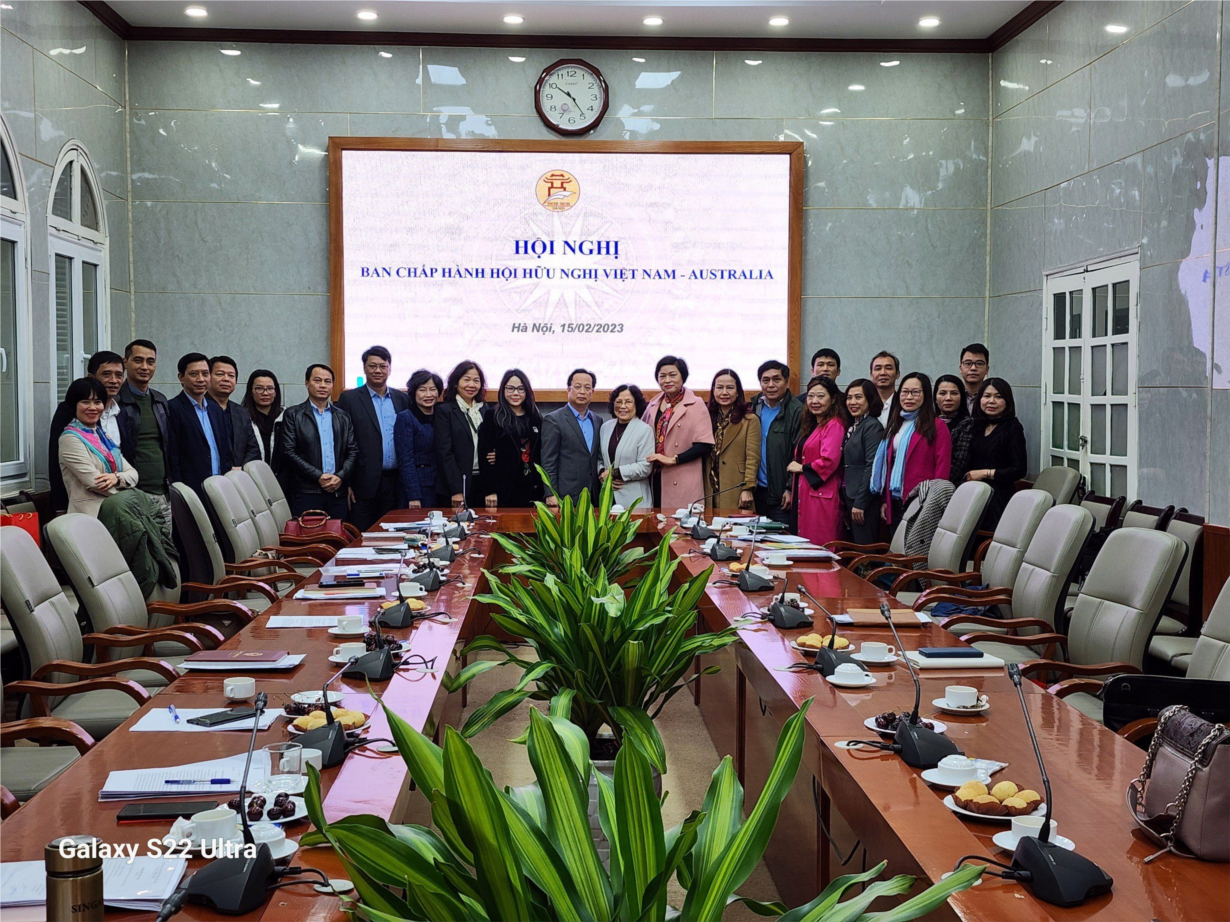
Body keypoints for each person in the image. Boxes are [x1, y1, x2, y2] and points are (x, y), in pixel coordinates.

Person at [337, 345, 410, 529]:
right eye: (372, 366)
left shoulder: (402, 399)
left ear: (389, 369)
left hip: (395, 483)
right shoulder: (349, 399)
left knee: (393, 535)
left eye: (383, 366)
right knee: (362, 535)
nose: (378, 370)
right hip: (362, 484)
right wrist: (346, 482)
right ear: (364, 368)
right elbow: (341, 443)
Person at [869, 371, 951, 525]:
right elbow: (889, 464)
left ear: (926, 395)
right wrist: (885, 500)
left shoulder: (937, 426)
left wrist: (933, 501)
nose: (909, 397)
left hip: (921, 500)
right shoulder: (895, 424)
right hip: (894, 499)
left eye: (915, 392)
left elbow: (942, 467)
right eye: (905, 392)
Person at [279, 363, 358, 519]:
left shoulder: (343, 417)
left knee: (337, 533)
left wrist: (341, 476)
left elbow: (353, 451)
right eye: (317, 380)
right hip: (306, 492)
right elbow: (288, 452)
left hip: (337, 491)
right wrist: (318, 476)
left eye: (327, 381)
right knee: (308, 533)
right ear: (307, 383)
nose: (323, 385)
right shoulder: (293, 414)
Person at [49, 350, 125, 513]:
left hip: (120, 503)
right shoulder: (69, 411)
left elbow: (126, 458)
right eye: (106, 374)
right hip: (88, 505)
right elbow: (56, 461)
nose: (114, 380)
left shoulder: (121, 411)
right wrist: (59, 507)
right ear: (91, 377)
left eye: (119, 375)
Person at [115, 339, 175, 537]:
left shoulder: (160, 400)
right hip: (133, 493)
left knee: (166, 548)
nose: (145, 367)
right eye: (138, 360)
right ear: (125, 362)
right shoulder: (116, 401)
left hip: (163, 493)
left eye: (150, 361)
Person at [642, 356, 714, 511]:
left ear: (683, 377)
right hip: (656, 475)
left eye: (673, 375)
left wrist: (673, 459)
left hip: (684, 474)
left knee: (680, 522)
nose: (667, 380)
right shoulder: (653, 404)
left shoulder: (696, 404)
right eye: (662, 376)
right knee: (656, 520)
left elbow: (704, 445)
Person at [58, 377, 138, 516]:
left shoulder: (102, 436)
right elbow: (95, 483)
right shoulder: (70, 439)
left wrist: (117, 478)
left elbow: (134, 474)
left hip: (119, 513)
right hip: (90, 517)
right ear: (74, 405)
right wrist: (129, 494)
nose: (93, 407)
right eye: (85, 402)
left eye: (97, 402)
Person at [788, 376, 847, 546]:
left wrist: (801, 468)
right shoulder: (812, 424)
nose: (815, 401)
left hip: (821, 493)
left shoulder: (834, 424)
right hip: (804, 491)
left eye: (821, 396)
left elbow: (829, 460)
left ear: (833, 399)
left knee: (820, 543)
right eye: (811, 396)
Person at [962, 377, 1028, 528]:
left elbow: (1019, 470)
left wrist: (985, 473)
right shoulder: (977, 426)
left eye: (998, 397)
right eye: (987, 396)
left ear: (1007, 401)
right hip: (972, 493)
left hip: (997, 497)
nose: (991, 401)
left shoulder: (1013, 428)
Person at [166, 352, 233, 497]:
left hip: (219, 487)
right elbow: (173, 455)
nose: (200, 379)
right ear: (181, 377)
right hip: (191, 489)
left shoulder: (216, 410)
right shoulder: (172, 408)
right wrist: (179, 490)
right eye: (194, 374)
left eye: (205, 374)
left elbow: (225, 451)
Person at [478, 368, 543, 508]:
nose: (515, 393)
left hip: (532, 489)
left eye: (521, 389)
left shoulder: (535, 417)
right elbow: (485, 457)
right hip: (504, 490)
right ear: (503, 390)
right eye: (510, 388)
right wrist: (490, 491)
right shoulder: (492, 416)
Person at [753, 359, 804, 524]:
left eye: (777, 379)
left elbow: (799, 453)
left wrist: (790, 488)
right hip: (756, 492)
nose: (771, 385)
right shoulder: (753, 407)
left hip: (782, 495)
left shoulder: (797, 411)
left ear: (787, 382)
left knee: (782, 537)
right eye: (765, 380)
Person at [542, 368, 602, 506]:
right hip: (565, 496)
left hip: (593, 496)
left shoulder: (597, 421)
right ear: (568, 390)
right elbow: (548, 461)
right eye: (577, 387)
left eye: (587, 388)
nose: (582, 392)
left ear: (592, 392)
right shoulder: (554, 420)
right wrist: (550, 493)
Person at [703, 368, 760, 512]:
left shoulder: (749, 420)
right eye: (719, 388)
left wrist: (748, 488)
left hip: (736, 486)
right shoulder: (705, 417)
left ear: (738, 391)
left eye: (730, 388)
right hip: (709, 487)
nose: (724, 393)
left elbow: (753, 458)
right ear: (713, 390)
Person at [434, 360, 487, 508]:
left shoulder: (483, 409)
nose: (472, 385)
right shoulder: (445, 411)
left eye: (476, 381)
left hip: (481, 481)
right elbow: (444, 453)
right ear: (456, 383)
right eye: (466, 379)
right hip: (457, 484)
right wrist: (456, 489)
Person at [840, 379, 885, 545]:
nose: (852, 402)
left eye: (858, 397)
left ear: (870, 400)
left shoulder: (872, 426)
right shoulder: (854, 426)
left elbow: (872, 465)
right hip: (849, 494)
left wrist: (860, 502)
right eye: (849, 397)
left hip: (863, 500)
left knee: (864, 548)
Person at [598, 384, 654, 509]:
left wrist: (614, 474)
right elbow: (599, 458)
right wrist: (602, 475)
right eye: (618, 402)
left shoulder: (644, 430)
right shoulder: (605, 427)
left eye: (628, 402)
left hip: (634, 501)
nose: (623, 406)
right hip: (608, 498)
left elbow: (645, 466)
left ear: (636, 404)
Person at [395, 369, 444, 508]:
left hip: (442, 486)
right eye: (422, 390)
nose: (428, 395)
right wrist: (414, 496)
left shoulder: (442, 414)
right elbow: (405, 460)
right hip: (419, 488)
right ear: (414, 392)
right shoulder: (406, 417)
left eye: (433, 389)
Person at [208, 355, 260, 469]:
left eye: (231, 376)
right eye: (220, 374)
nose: (226, 379)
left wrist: (241, 469)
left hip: (239, 474)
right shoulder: (200, 409)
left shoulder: (242, 412)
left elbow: (253, 448)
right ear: (208, 377)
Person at [935, 373, 973, 485]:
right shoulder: (926, 423)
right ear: (935, 398)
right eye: (942, 393)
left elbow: (959, 465)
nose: (948, 398)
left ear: (962, 397)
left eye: (954, 393)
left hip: (951, 486)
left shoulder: (968, 424)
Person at [240, 369, 283, 465]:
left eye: (270, 388)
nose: (265, 393)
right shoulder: (241, 417)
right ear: (251, 391)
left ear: (276, 392)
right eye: (259, 388)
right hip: (250, 471)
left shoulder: (285, 416)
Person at [869, 351, 900, 427]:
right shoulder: (865, 403)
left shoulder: (903, 404)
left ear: (897, 374)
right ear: (871, 375)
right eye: (878, 369)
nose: (883, 373)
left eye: (888, 368)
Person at [959, 343, 990, 416]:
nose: (973, 368)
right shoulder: (953, 396)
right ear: (960, 368)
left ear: (987, 369)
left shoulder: (993, 398)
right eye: (968, 363)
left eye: (979, 364)